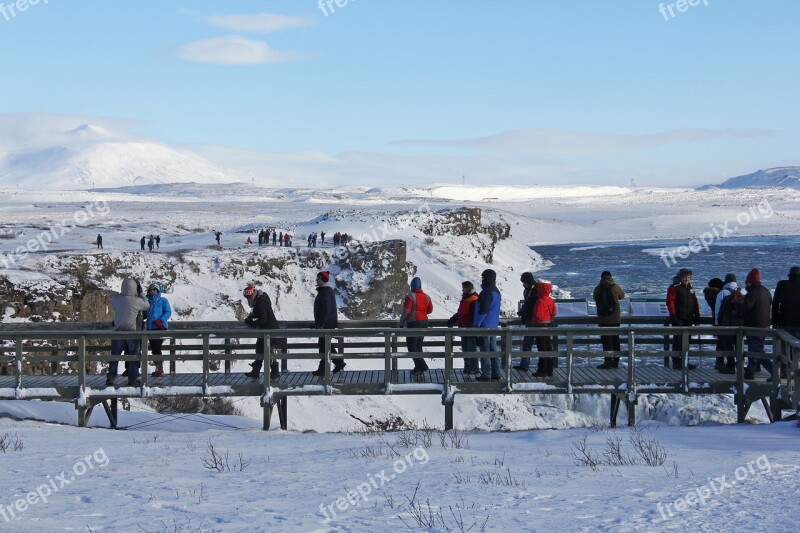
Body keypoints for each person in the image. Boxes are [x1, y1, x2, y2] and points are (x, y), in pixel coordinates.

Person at [106, 278, 150, 387]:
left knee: (115, 356)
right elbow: (147, 305)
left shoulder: (116, 299)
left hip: (118, 331)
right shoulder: (136, 301)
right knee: (134, 355)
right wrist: (140, 293)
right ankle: (133, 379)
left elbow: (113, 302)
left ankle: (111, 378)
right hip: (132, 331)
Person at [242, 284, 282, 380]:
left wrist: (252, 323)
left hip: (269, 331)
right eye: (247, 298)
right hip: (267, 331)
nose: (249, 300)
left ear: (254, 294)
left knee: (266, 351)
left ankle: (274, 372)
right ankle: (256, 371)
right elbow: (259, 314)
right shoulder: (259, 300)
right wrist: (251, 318)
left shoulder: (260, 303)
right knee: (260, 349)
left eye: (249, 297)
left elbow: (262, 320)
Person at [312, 271, 345, 376]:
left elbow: (325, 310)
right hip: (326, 324)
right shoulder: (325, 291)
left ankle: (337, 363)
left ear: (322, 280)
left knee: (323, 345)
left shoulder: (325, 292)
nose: (316, 280)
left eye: (318, 279)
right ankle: (331, 365)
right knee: (324, 345)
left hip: (326, 325)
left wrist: (320, 325)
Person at [666, 268, 699, 370]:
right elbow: (670, 302)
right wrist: (673, 315)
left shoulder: (690, 287)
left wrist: (697, 314)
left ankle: (685, 361)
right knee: (678, 340)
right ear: (680, 277)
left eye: (689, 277)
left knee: (687, 341)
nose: (687, 279)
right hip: (678, 318)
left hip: (689, 318)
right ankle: (676, 362)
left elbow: (695, 301)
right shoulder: (674, 287)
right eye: (685, 277)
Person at [399, 277, 433, 376]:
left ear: (412, 286)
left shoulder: (410, 297)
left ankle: (422, 366)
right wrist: (422, 312)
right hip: (424, 322)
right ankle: (418, 367)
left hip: (413, 323)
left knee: (411, 346)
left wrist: (401, 324)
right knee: (418, 345)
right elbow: (430, 310)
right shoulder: (427, 297)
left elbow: (406, 311)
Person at [742, 268, 772, 379]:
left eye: (746, 282)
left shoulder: (753, 292)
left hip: (754, 325)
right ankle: (750, 371)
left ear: (750, 281)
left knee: (757, 350)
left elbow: (746, 307)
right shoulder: (766, 291)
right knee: (754, 349)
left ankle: (773, 371)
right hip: (765, 325)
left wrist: (736, 306)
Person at [593, 270, 626, 369]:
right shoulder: (615, 287)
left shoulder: (598, 288)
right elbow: (622, 296)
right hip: (615, 318)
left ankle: (607, 362)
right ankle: (616, 361)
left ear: (601, 277)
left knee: (606, 341)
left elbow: (595, 298)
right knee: (615, 340)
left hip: (603, 319)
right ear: (610, 277)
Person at [474, 269, 502, 382]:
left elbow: (483, 310)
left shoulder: (486, 292)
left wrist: (477, 324)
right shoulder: (496, 291)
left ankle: (486, 374)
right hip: (493, 325)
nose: (482, 279)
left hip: (485, 326)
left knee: (485, 350)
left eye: (483, 277)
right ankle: (496, 372)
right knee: (494, 349)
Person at [447, 280, 480, 374]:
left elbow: (474, 315)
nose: (462, 290)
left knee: (471, 348)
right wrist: (452, 320)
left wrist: (472, 325)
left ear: (467, 288)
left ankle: (475, 368)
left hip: (469, 328)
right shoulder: (465, 299)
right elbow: (460, 313)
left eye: (463, 288)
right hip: (463, 327)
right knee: (465, 348)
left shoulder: (473, 299)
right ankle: (468, 367)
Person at [715, 273, 742, 374]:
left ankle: (728, 365)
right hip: (739, 324)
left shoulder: (722, 292)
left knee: (727, 345)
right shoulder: (741, 291)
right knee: (739, 344)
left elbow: (718, 309)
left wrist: (717, 322)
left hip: (726, 323)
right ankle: (740, 365)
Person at [145, 282, 171, 378]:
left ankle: (159, 369)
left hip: (159, 327)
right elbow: (144, 314)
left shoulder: (163, 300)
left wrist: (162, 319)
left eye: (154, 289)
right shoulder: (147, 301)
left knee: (157, 348)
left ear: (158, 290)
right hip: (150, 328)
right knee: (154, 348)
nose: (152, 291)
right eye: (151, 290)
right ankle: (159, 368)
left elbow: (168, 312)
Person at [532, 280, 557, 377]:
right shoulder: (550, 300)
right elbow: (554, 313)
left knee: (542, 348)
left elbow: (538, 314)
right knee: (548, 347)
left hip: (540, 326)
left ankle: (542, 370)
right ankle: (549, 369)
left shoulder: (540, 301)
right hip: (548, 325)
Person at [513, 272, 537, 372]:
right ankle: (524, 365)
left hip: (534, 320)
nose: (523, 284)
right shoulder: (528, 290)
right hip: (530, 319)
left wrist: (524, 310)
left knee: (528, 344)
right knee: (527, 344)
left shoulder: (535, 290)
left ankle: (526, 366)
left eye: (524, 282)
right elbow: (528, 303)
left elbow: (531, 303)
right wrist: (523, 310)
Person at [703, 277, 725, 369]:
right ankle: (722, 363)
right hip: (722, 321)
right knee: (724, 343)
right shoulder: (718, 294)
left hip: (716, 321)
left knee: (721, 343)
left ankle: (719, 362)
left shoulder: (709, 294)